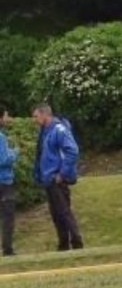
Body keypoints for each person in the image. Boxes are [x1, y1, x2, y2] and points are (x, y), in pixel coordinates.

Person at [32, 103, 83, 251]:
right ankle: (63, 244)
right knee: (56, 214)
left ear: (45, 114)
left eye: (36, 116)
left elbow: (72, 151)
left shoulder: (59, 130)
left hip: (57, 178)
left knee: (64, 212)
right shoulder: (45, 131)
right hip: (48, 178)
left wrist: (62, 173)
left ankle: (76, 242)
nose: (35, 120)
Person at [0, 104, 17, 256]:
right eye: (5, 115)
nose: (7, 118)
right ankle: (7, 249)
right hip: (4, 182)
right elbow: (4, 160)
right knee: (7, 216)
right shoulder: (1, 137)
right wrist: (15, 152)